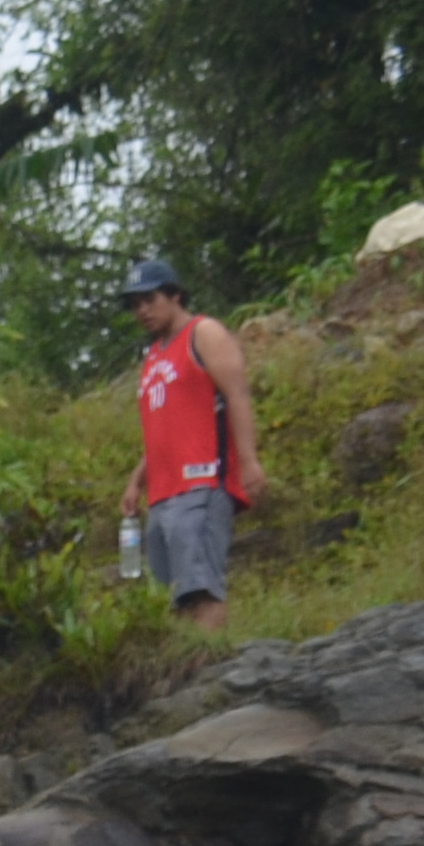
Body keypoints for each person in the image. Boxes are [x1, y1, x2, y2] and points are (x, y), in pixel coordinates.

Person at [120, 255, 267, 632]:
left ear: (174, 296)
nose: (143, 310)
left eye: (150, 299)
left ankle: (210, 676)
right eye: (136, 304)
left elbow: (237, 394)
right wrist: (137, 480)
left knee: (201, 589)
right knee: (172, 598)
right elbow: (167, 425)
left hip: (201, 482)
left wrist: (249, 461)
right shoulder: (153, 356)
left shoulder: (204, 333)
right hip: (163, 493)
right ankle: (190, 673)